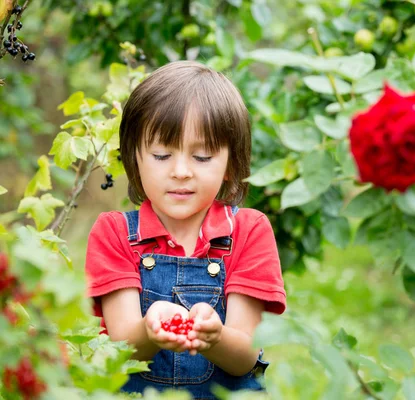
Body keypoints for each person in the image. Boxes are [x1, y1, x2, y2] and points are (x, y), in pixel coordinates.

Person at [84, 61, 286, 399]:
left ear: (229, 164)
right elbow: (119, 351)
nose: (180, 171)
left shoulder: (248, 231)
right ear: (135, 157)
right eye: (162, 154)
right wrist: (150, 331)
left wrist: (215, 337)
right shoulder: (114, 233)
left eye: (202, 156)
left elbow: (245, 357)